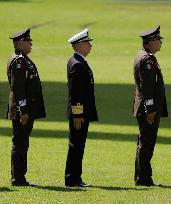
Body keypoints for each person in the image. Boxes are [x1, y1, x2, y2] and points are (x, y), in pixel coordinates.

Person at [7, 28, 46, 186]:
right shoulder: (18, 62)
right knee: (20, 143)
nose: (31, 44)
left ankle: (19, 176)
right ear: (20, 43)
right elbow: (18, 89)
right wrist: (23, 111)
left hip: (26, 109)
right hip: (22, 111)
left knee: (22, 142)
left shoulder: (22, 58)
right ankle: (18, 178)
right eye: (28, 41)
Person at [133, 25, 168, 186]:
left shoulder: (145, 56)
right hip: (148, 109)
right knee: (147, 143)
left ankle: (141, 176)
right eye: (158, 40)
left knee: (144, 142)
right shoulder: (146, 59)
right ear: (150, 42)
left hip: (146, 108)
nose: (161, 42)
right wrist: (151, 109)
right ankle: (144, 179)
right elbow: (147, 87)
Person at [65, 28, 98, 187]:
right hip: (79, 113)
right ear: (79, 45)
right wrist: (78, 114)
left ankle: (75, 177)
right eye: (87, 43)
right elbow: (75, 92)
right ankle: (72, 179)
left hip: (81, 112)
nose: (90, 46)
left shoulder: (77, 61)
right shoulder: (77, 64)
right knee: (76, 145)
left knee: (78, 145)